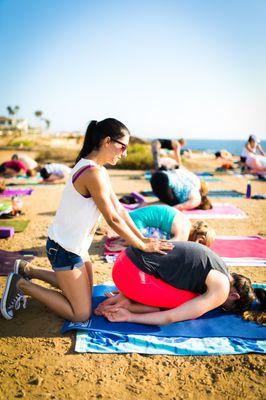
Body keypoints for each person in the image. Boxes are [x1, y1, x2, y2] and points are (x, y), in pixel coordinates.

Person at [0, 118, 172, 322]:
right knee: (80, 314)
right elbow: (113, 219)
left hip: (76, 247)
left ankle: (27, 269)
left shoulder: (98, 169)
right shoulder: (92, 172)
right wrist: (141, 246)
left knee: (83, 293)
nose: (124, 153)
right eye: (122, 146)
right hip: (64, 249)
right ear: (107, 141)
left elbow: (120, 210)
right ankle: (21, 284)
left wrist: (143, 239)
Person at [95, 241, 265, 325]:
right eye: (224, 306)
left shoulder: (219, 265)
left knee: (190, 296)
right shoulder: (222, 289)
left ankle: (129, 298)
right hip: (131, 275)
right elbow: (171, 316)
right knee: (192, 306)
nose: (219, 305)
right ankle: (129, 304)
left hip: (123, 261)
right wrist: (130, 317)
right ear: (234, 296)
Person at [128, 205, 215, 244]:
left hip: (134, 218)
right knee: (169, 246)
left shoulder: (187, 223)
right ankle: (127, 240)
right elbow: (166, 246)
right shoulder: (184, 234)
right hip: (135, 222)